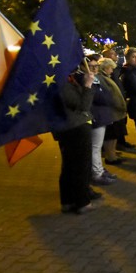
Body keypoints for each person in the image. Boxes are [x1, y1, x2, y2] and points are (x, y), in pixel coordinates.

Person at [53, 61, 96, 214]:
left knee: (69, 165)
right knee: (80, 166)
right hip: (75, 127)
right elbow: (82, 106)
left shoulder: (62, 81)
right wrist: (88, 85)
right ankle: (82, 202)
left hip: (69, 127)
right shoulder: (61, 84)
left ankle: (68, 200)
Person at [87, 56, 117, 185]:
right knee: (95, 147)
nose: (94, 69)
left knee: (97, 147)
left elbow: (108, 95)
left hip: (101, 116)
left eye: (96, 66)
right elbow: (101, 97)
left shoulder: (97, 79)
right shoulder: (88, 81)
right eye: (91, 66)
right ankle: (97, 173)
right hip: (96, 117)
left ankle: (99, 169)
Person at [97, 58, 128, 167]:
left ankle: (112, 153)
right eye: (111, 68)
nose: (112, 70)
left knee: (114, 135)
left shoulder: (106, 77)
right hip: (110, 111)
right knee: (110, 136)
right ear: (105, 68)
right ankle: (110, 156)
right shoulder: (101, 78)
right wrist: (118, 105)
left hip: (114, 111)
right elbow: (108, 95)